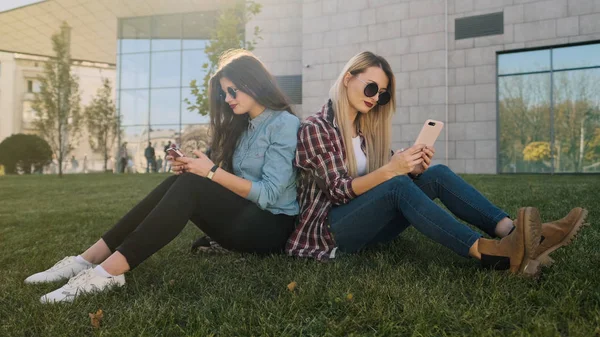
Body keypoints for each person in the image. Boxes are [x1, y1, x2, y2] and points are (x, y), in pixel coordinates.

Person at [25, 49, 301, 303]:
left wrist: (210, 173)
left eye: (232, 91)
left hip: (269, 230)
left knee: (195, 183)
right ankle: (87, 259)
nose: (227, 99)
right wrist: (193, 167)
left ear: (254, 82)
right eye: (224, 94)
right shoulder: (243, 126)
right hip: (243, 221)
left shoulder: (283, 124)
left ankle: (108, 273)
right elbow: (229, 186)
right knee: (185, 180)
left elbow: (269, 194)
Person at [285, 51, 587, 277]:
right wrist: (393, 170)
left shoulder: (366, 131)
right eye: (370, 88)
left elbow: (380, 179)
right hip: (329, 231)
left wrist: (410, 166)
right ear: (348, 78)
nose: (375, 98)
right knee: (398, 186)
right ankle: (488, 253)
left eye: (382, 93)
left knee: (435, 173)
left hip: (366, 223)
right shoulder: (316, 127)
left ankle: (512, 232)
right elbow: (339, 192)